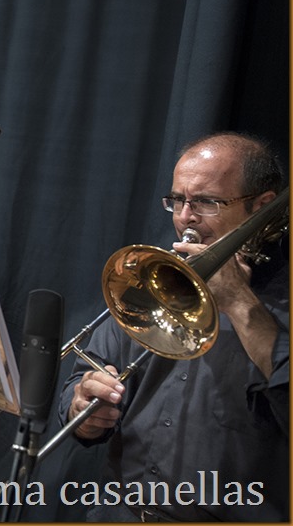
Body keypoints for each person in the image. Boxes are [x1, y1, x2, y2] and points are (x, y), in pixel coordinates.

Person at [58, 132, 288, 521]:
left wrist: (239, 302)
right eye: (177, 200)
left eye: (206, 202)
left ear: (260, 206)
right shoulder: (152, 276)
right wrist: (81, 406)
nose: (184, 218)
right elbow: (85, 377)